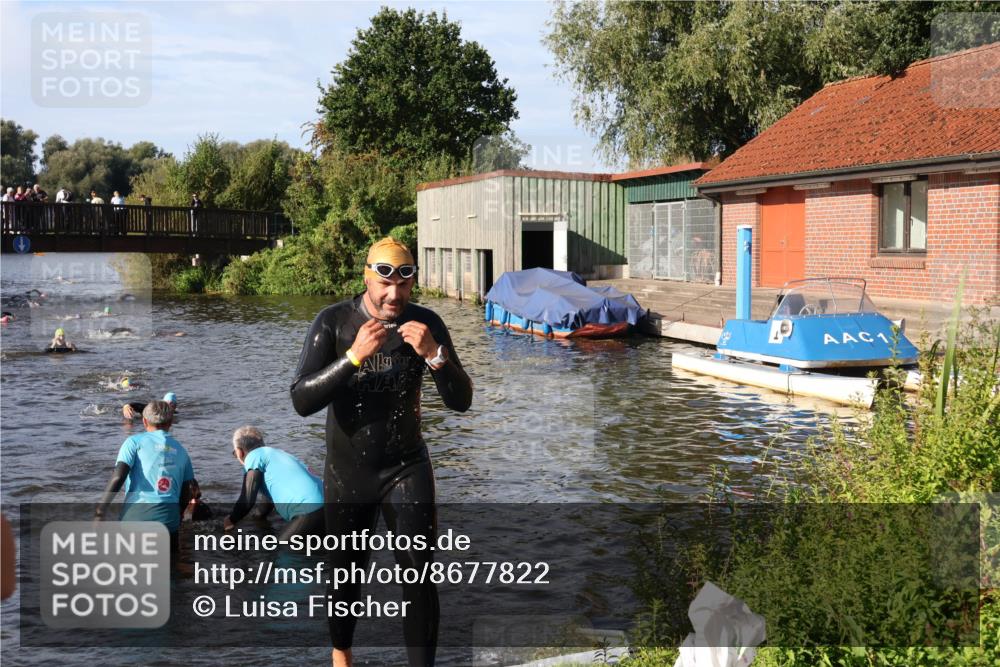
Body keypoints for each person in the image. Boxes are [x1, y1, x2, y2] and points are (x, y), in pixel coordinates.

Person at [290, 237, 473, 667]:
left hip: (406, 465)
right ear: (367, 277)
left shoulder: (427, 324)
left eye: (404, 286)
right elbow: (301, 399)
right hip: (348, 472)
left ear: (413, 284)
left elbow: (461, 401)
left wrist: (435, 356)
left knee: (419, 575)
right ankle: (342, 656)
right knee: (345, 575)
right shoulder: (333, 322)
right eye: (384, 284)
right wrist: (352, 357)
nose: (394, 296)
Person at [95, 401, 195, 551]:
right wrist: (177, 516)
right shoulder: (182, 451)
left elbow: (118, 477)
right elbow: (188, 490)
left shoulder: (133, 442)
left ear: (144, 421)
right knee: (170, 568)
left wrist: (100, 511)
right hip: (169, 523)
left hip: (136, 519)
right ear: (171, 422)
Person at [223, 426, 324, 539]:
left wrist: (231, 520)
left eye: (234, 453)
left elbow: (247, 499)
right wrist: (255, 519)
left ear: (239, 452)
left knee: (283, 550)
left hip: (309, 511)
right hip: (330, 506)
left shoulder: (253, 457)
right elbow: (266, 504)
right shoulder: (276, 454)